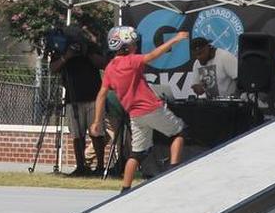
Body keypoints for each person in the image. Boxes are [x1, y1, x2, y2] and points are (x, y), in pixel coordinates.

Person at [90, 26, 190, 192]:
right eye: (133, 44)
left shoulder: (109, 69)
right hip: (152, 108)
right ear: (126, 47)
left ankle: (125, 189)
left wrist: (97, 121)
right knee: (180, 132)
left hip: (135, 115)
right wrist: (176, 39)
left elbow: (101, 95)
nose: (136, 46)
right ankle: (173, 170)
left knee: (137, 153)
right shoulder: (132, 61)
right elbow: (152, 56)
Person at [49, 25, 108, 176]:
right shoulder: (61, 47)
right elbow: (53, 68)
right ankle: (81, 166)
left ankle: (100, 167)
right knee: (77, 134)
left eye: (77, 36)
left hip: (93, 96)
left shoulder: (90, 46)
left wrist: (86, 51)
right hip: (72, 97)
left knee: (97, 133)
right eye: (72, 37)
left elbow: (104, 64)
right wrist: (67, 56)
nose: (75, 40)